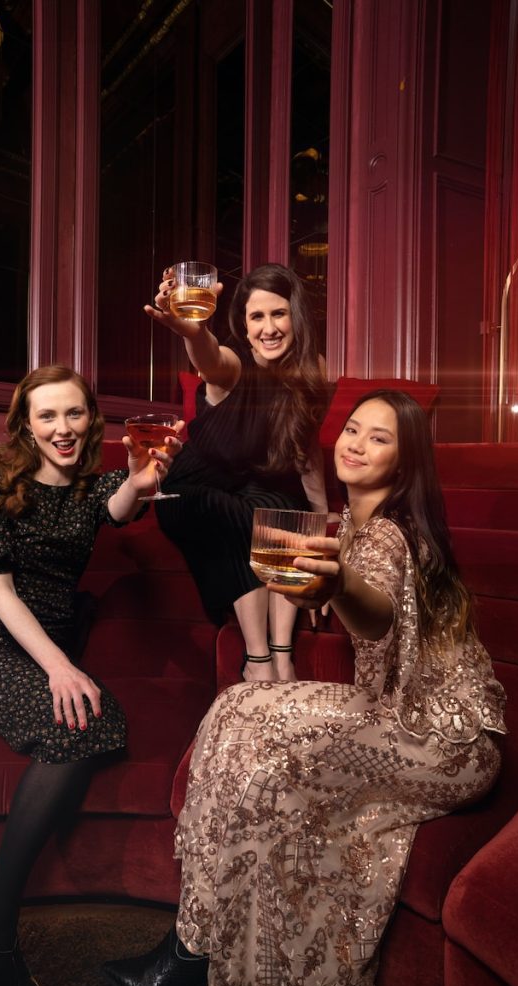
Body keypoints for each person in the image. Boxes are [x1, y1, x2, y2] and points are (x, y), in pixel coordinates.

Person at [102, 390, 507, 986]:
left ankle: (212, 963)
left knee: (268, 776)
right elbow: (276, 555)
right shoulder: (347, 527)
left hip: (443, 742)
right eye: (352, 429)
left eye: (379, 439)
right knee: (238, 706)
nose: (355, 443)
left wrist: (340, 584)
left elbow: (372, 615)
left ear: (404, 465)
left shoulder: (388, 538)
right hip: (388, 710)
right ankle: (193, 941)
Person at [0, 365, 181, 986]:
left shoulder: (92, 487)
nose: (62, 428)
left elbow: (120, 507)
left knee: (99, 721)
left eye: (73, 415)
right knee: (84, 725)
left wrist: (141, 480)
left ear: (89, 421)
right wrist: (59, 670)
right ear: (26, 425)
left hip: (49, 647)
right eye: (47, 416)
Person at [146, 262, 328, 683]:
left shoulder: (311, 368)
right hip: (193, 490)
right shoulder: (234, 367)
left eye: (278, 314)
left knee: (288, 509)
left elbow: (305, 449)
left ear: (296, 317)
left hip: (251, 488)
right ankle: (258, 658)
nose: (268, 328)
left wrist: (322, 517)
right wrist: (192, 331)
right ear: (244, 326)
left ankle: (283, 655)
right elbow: (211, 359)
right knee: (255, 519)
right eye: (256, 317)